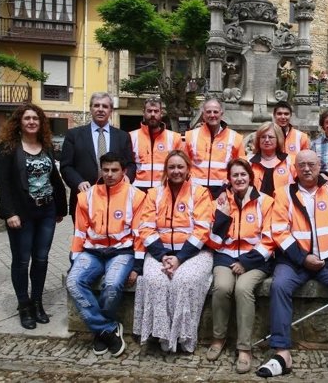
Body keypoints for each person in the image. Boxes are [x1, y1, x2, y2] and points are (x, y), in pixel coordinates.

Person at [257, 150, 328, 381]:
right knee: (279, 287)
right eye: (302, 165)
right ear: (295, 168)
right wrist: (303, 258)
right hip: (295, 260)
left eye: (311, 164)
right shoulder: (284, 193)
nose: (306, 169)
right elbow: (279, 231)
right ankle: (282, 353)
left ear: (319, 166)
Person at [66, 152, 147, 357]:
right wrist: (74, 260)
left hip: (122, 252)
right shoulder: (86, 197)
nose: (110, 174)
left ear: (124, 171)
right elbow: (79, 232)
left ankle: (100, 331)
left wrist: (137, 267)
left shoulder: (136, 196)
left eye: (115, 170)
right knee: (73, 281)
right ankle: (106, 329)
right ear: (100, 170)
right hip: (92, 251)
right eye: (106, 170)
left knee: (111, 284)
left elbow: (139, 234)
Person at [133, 150, 214, 353]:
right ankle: (161, 335)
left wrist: (179, 259)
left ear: (188, 169)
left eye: (180, 167)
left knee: (184, 281)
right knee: (155, 280)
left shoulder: (200, 192)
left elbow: (202, 230)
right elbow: (146, 228)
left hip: (194, 253)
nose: (176, 171)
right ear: (166, 170)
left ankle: (183, 337)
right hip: (160, 252)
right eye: (172, 167)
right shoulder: (154, 193)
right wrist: (163, 257)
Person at [0, 103, 68, 329]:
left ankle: (37, 302)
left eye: (35, 118)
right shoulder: (8, 148)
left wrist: (60, 208)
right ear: (20, 121)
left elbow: (54, 178)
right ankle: (24, 305)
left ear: (41, 122)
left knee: (42, 259)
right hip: (22, 213)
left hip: (46, 211)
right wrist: (9, 212)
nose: (31, 122)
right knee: (22, 260)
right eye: (27, 118)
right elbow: (3, 183)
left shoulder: (46, 146)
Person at [205, 158, 275, 373]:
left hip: (256, 259)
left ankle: (244, 348)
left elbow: (271, 238)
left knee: (243, 289)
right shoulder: (221, 201)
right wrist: (222, 217)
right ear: (229, 179)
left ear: (250, 177)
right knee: (222, 287)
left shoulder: (266, 201)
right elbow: (212, 240)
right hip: (225, 256)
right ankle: (218, 338)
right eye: (235, 175)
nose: (239, 178)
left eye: (243, 174)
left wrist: (246, 261)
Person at [60, 92, 135, 218]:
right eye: (96, 105)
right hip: (85, 198)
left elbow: (131, 164)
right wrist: (78, 182)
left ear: (111, 110)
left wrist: (127, 178)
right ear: (90, 109)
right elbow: (66, 166)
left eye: (105, 106)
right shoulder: (74, 135)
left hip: (117, 198)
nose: (100, 109)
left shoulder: (122, 136)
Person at [185, 98, 244, 199]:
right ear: (203, 114)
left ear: (221, 113)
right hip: (195, 190)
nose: (212, 115)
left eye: (215, 112)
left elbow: (241, 167)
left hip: (223, 191)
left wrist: (229, 187)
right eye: (208, 112)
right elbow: (184, 164)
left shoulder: (235, 138)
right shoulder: (191, 136)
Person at [130, 97, 183, 191]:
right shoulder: (131, 136)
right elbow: (128, 166)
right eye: (149, 111)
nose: (153, 114)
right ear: (144, 112)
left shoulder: (174, 138)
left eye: (156, 111)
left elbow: (180, 165)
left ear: (161, 113)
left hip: (164, 189)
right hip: (138, 190)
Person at [249, 122, 295, 197]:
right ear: (258, 140)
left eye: (270, 137)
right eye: (263, 137)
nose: (267, 140)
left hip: (283, 207)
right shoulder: (248, 162)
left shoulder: (291, 161)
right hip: (256, 207)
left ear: (278, 139)